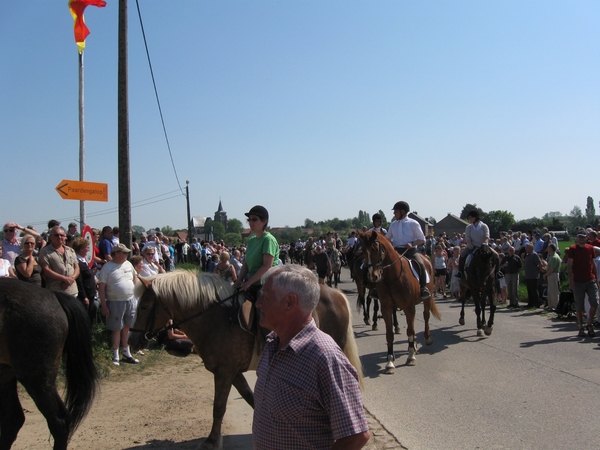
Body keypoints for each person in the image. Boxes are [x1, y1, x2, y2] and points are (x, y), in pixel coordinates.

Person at [253, 264, 370, 449]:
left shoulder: (325, 357)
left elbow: (356, 436)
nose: (258, 303)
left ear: (290, 302)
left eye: (266, 296)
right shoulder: (272, 343)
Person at [98, 243, 139, 366]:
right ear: (116, 253)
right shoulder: (107, 267)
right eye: (124, 252)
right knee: (116, 328)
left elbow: (135, 277)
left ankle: (127, 353)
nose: (127, 254)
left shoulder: (128, 264)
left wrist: (133, 289)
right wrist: (104, 305)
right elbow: (102, 287)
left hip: (130, 299)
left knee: (127, 326)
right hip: (115, 301)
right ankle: (115, 355)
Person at [385, 201, 430, 299]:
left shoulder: (413, 223)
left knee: (421, 264)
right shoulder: (393, 224)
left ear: (403, 211)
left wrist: (413, 243)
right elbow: (387, 238)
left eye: (396, 211)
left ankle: (423, 288)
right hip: (396, 251)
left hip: (410, 251)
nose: (394, 213)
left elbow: (422, 239)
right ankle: (379, 289)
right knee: (382, 265)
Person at [233, 205, 279, 299]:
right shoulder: (251, 240)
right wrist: (238, 281)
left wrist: (249, 283)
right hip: (251, 283)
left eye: (254, 219)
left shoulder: (268, 240)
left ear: (264, 222)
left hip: (265, 284)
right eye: (249, 220)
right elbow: (246, 264)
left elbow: (267, 266)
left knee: (260, 308)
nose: (251, 222)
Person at [568, 230, 600, 337]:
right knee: (579, 306)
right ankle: (581, 326)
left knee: (595, 302)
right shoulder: (573, 249)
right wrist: (571, 281)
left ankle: (589, 323)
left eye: (583, 237)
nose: (581, 239)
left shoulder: (590, 248)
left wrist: (596, 278)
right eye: (579, 237)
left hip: (590, 279)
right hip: (578, 280)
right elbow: (569, 266)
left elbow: (593, 263)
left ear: (587, 238)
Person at [39, 226, 80, 297]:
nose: (59, 237)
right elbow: (46, 270)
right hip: (56, 290)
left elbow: (76, 267)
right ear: (51, 237)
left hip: (72, 290)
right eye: (56, 235)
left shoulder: (70, 250)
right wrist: (64, 278)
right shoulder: (44, 251)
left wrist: (70, 279)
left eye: (61, 235)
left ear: (65, 237)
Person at [457, 210, 498, 279]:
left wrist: (484, 244)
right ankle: (460, 272)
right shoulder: (469, 227)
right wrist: (469, 245)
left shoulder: (484, 226)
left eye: (471, 217)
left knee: (496, 255)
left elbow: (486, 236)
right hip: (472, 246)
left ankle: (497, 273)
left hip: (483, 246)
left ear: (476, 217)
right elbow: (468, 237)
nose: (470, 219)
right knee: (462, 254)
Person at [523, 243, 542, 308]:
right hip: (528, 275)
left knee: (534, 290)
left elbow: (539, 264)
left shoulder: (534, 255)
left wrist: (539, 270)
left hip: (533, 275)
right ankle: (530, 303)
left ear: (530, 248)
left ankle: (537, 303)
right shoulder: (528, 255)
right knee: (529, 290)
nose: (525, 249)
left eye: (527, 247)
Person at [544, 243, 562, 311]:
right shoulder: (551, 256)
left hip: (553, 275)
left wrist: (546, 274)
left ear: (551, 249)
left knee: (554, 291)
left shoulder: (554, 257)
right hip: (550, 275)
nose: (547, 249)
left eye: (548, 248)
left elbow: (552, 269)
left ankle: (555, 306)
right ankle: (550, 305)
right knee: (550, 290)